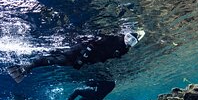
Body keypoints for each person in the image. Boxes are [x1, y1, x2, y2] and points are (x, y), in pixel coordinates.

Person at [7, 30, 144, 83]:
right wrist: (81, 59)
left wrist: (84, 62)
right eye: (129, 38)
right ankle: (28, 66)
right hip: (80, 51)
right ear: (125, 35)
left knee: (59, 60)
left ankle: (30, 65)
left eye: (132, 41)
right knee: (60, 59)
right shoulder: (113, 38)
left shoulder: (124, 50)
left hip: (86, 59)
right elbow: (91, 44)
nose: (128, 42)